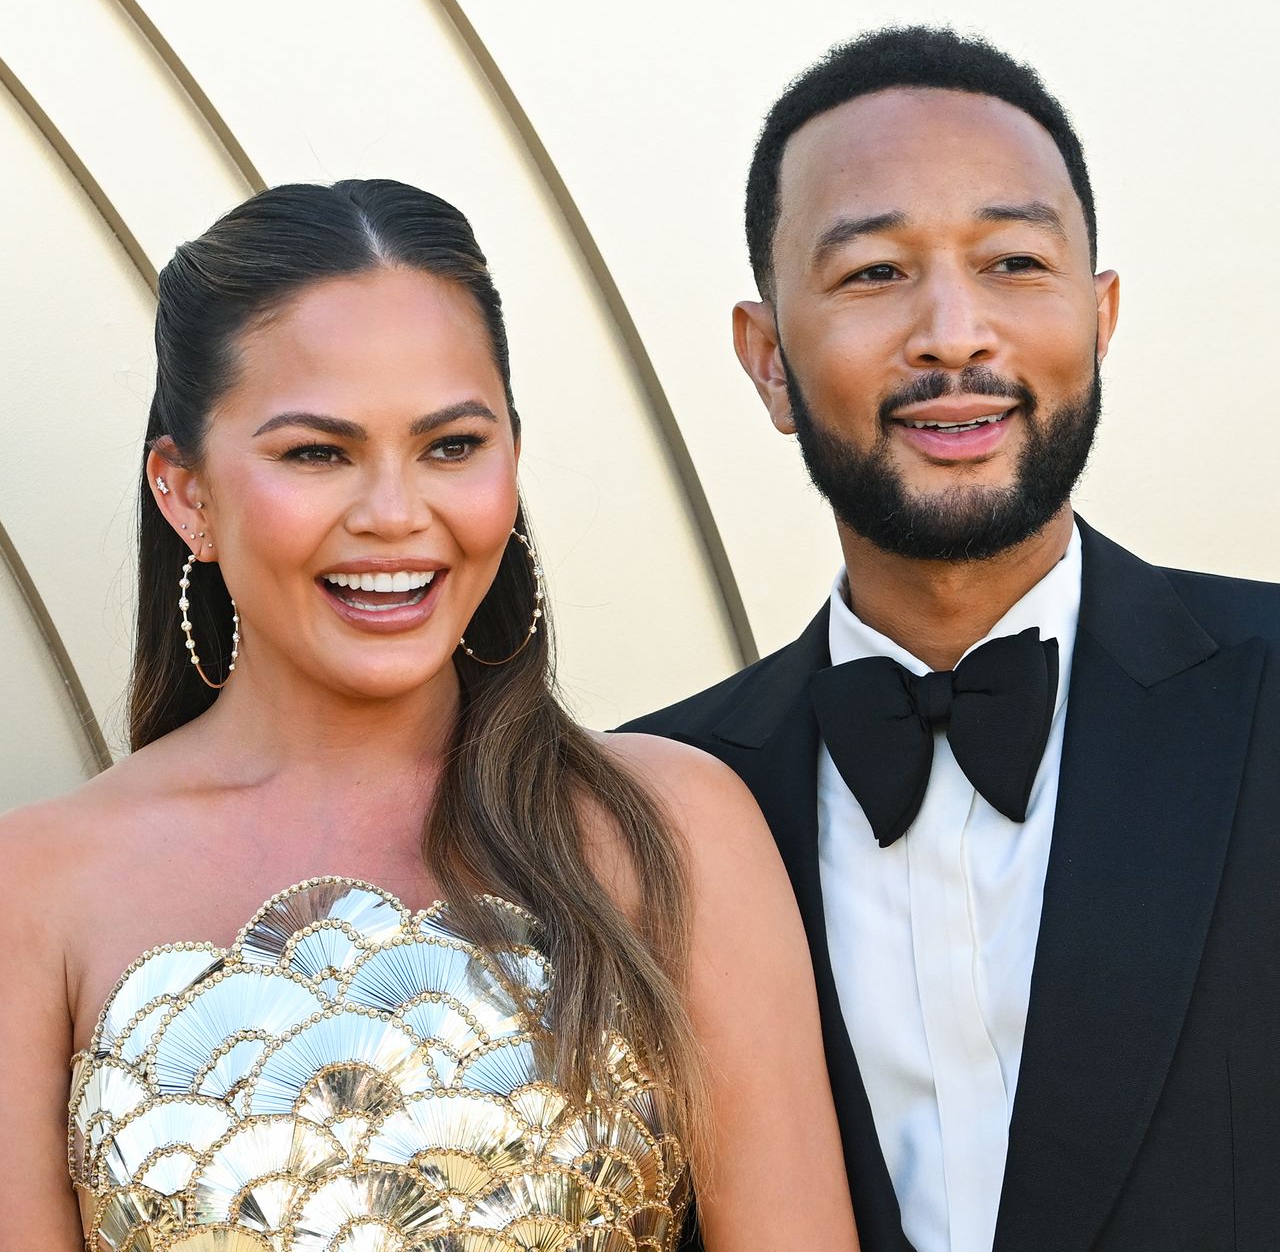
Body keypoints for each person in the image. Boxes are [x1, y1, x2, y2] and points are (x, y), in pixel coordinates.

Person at [0, 180, 858, 1250]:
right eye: (317, 452)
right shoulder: (32, 888)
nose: (396, 515)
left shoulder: (675, 826)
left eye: (451, 444)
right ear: (187, 493)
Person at [625, 26, 1280, 1252]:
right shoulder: (644, 815)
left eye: (1012, 261)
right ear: (766, 361)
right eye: (873, 273)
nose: (952, 333)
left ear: (1098, 318)